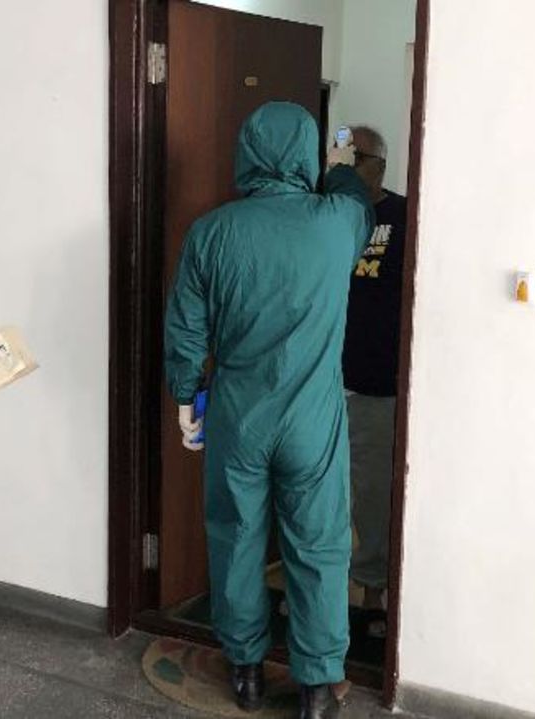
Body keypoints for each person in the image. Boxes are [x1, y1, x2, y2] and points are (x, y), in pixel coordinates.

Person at [164, 102, 375, 719]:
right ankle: (316, 687)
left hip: (238, 415)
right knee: (318, 544)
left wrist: (185, 398)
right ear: (305, 155)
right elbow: (353, 189)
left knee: (235, 539)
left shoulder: (211, 232)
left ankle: (247, 671)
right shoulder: (338, 221)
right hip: (312, 416)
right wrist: (334, 164)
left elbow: (185, 332)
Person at [341, 126, 409, 638]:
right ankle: (316, 597)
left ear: (379, 165)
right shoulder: (326, 213)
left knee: (371, 494)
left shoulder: (405, 218)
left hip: (376, 384)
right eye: (337, 153)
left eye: (354, 156)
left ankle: (372, 598)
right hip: (319, 384)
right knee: (316, 493)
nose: (343, 163)